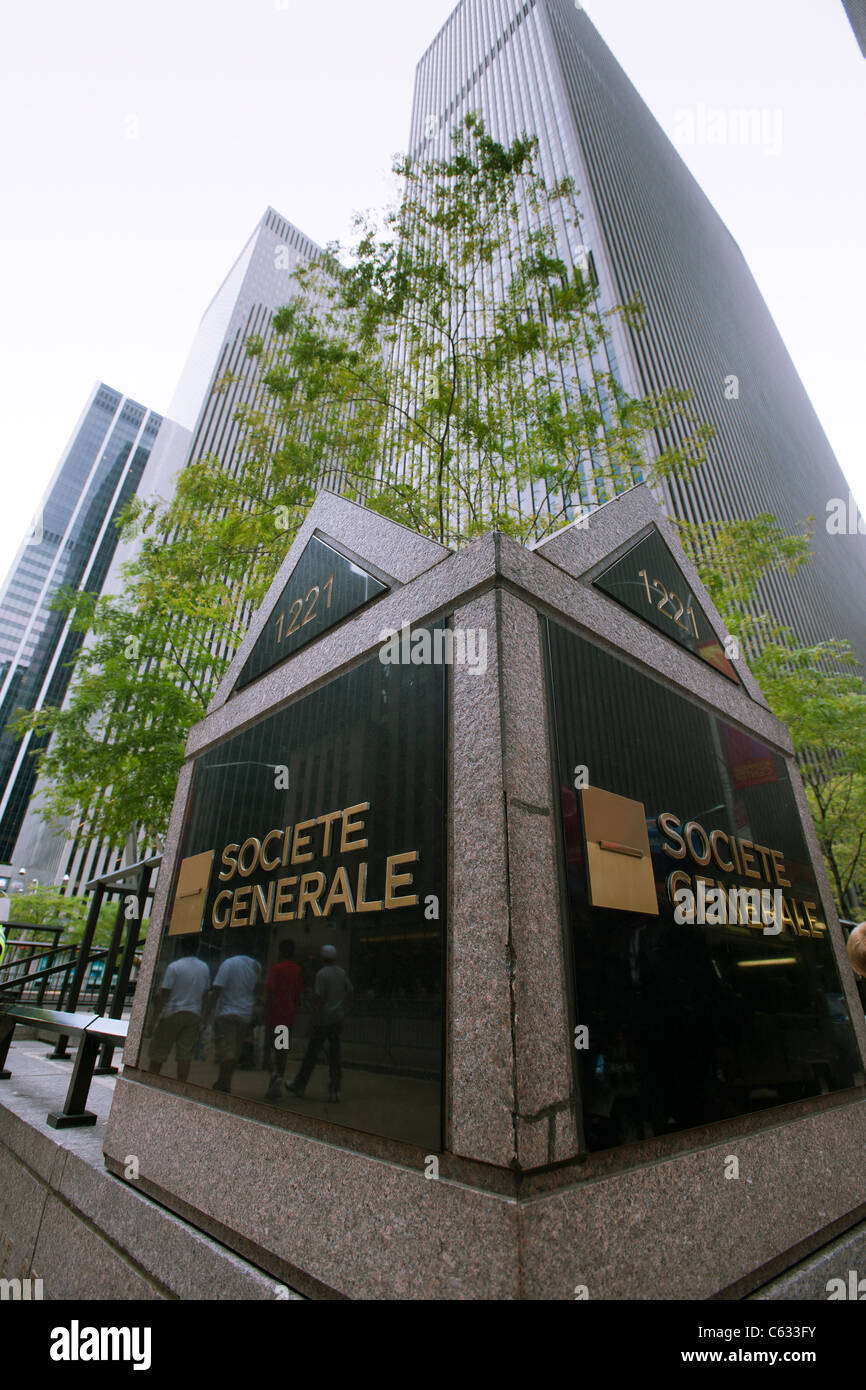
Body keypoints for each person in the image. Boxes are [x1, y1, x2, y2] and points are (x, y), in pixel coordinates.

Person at [286, 944, 353, 1103]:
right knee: (335, 1056)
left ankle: (299, 1085)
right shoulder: (342, 973)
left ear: (323, 958)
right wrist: (344, 1009)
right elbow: (350, 991)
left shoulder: (321, 974)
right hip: (337, 1019)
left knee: (311, 1054)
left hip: (323, 1021)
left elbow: (319, 1001)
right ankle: (335, 1090)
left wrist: (311, 1022)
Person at [147, 937, 211, 1082]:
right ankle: (181, 1083)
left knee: (159, 1051)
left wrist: (154, 1018)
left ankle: (152, 1080)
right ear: (197, 948)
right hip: (194, 1013)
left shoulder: (175, 967)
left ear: (181, 948)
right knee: (185, 1053)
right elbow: (205, 994)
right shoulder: (204, 967)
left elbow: (164, 994)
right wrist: (204, 1015)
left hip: (173, 1012)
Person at [204, 945, 262, 1093]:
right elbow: (256, 988)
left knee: (226, 1052)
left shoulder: (229, 963)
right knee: (234, 1051)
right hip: (245, 1014)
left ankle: (224, 1083)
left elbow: (217, 989)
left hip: (226, 1013)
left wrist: (207, 1013)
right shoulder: (256, 966)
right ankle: (224, 1083)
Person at [263, 939, 304, 1100]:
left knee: (266, 1049)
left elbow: (270, 991)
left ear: (280, 951)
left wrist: (266, 1012)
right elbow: (298, 994)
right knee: (282, 1051)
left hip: (274, 1016)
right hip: (288, 1017)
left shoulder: (277, 969)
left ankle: (273, 1075)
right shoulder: (297, 970)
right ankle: (277, 1082)